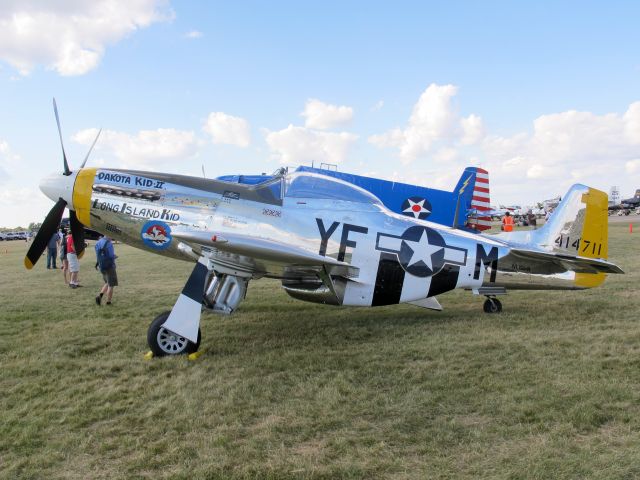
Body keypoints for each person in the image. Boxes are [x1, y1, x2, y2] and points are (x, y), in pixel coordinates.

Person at [95, 235, 118, 306]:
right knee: (111, 285)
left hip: (102, 266)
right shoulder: (108, 243)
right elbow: (111, 256)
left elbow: (98, 255)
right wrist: (115, 256)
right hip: (109, 267)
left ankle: (100, 296)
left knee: (107, 282)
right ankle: (108, 302)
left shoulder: (98, 242)